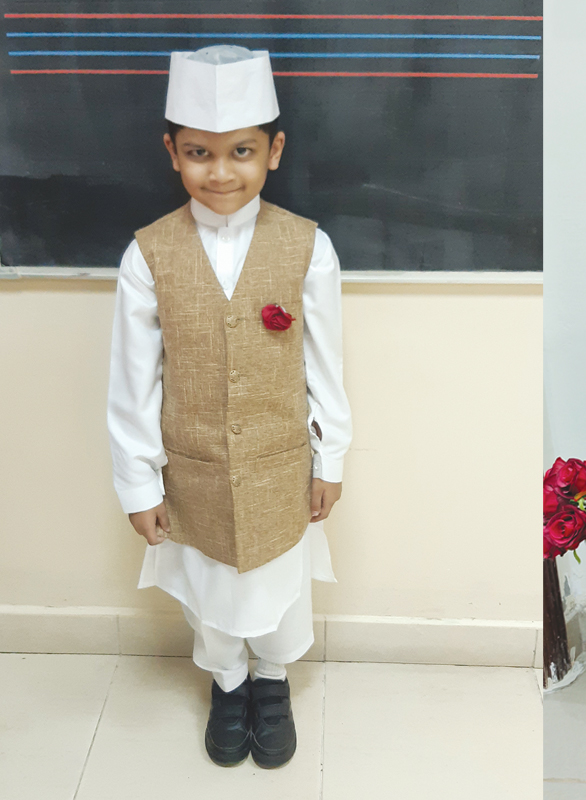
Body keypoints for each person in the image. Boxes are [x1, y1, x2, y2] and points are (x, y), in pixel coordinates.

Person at [107, 45, 351, 769]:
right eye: (199, 153)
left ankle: (272, 683)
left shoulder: (310, 246)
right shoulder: (146, 254)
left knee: (281, 586)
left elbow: (327, 367)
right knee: (208, 590)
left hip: (281, 462)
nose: (220, 172)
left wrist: (330, 455)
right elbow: (131, 383)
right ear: (171, 153)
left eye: (240, 151)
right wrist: (137, 482)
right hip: (194, 466)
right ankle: (228, 682)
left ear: (273, 151)